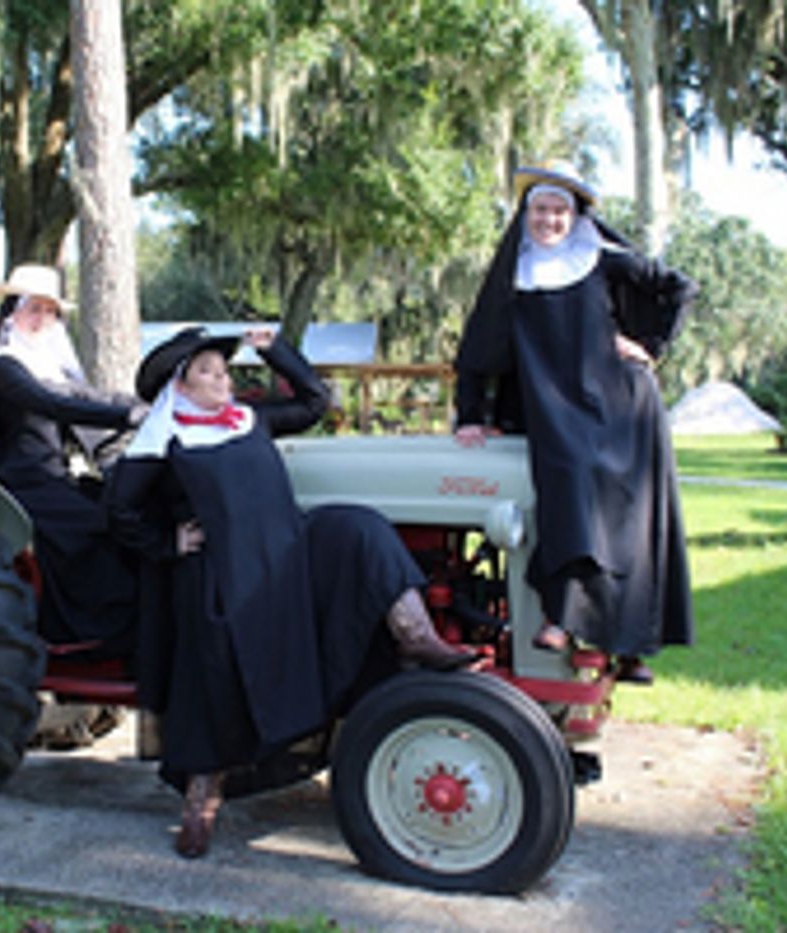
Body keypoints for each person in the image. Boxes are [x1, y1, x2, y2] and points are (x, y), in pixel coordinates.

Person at [105, 326, 474, 859]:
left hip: (288, 551)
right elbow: (120, 511)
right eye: (207, 372)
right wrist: (169, 542)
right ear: (178, 387)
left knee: (359, 530)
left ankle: (415, 634)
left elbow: (313, 402)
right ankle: (202, 794)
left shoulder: (247, 418)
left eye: (224, 370)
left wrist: (274, 351)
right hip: (223, 573)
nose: (222, 380)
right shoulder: (163, 438)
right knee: (217, 652)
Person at [453, 161, 696, 686]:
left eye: (560, 210)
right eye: (540, 209)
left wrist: (649, 346)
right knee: (569, 481)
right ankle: (561, 616)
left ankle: (623, 644)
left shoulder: (602, 260)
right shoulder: (513, 274)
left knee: (630, 522)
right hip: (554, 410)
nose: (550, 220)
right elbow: (479, 347)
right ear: (526, 213)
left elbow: (677, 288)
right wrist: (471, 416)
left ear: (575, 215)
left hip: (623, 408)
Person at [0, 264, 147, 652]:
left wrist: (145, 407)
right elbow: (49, 403)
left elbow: (85, 398)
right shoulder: (6, 366)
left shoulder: (51, 365)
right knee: (91, 525)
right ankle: (84, 632)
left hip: (52, 479)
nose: (41, 319)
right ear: (13, 311)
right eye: (33, 309)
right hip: (18, 483)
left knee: (119, 510)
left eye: (49, 311)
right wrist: (125, 416)